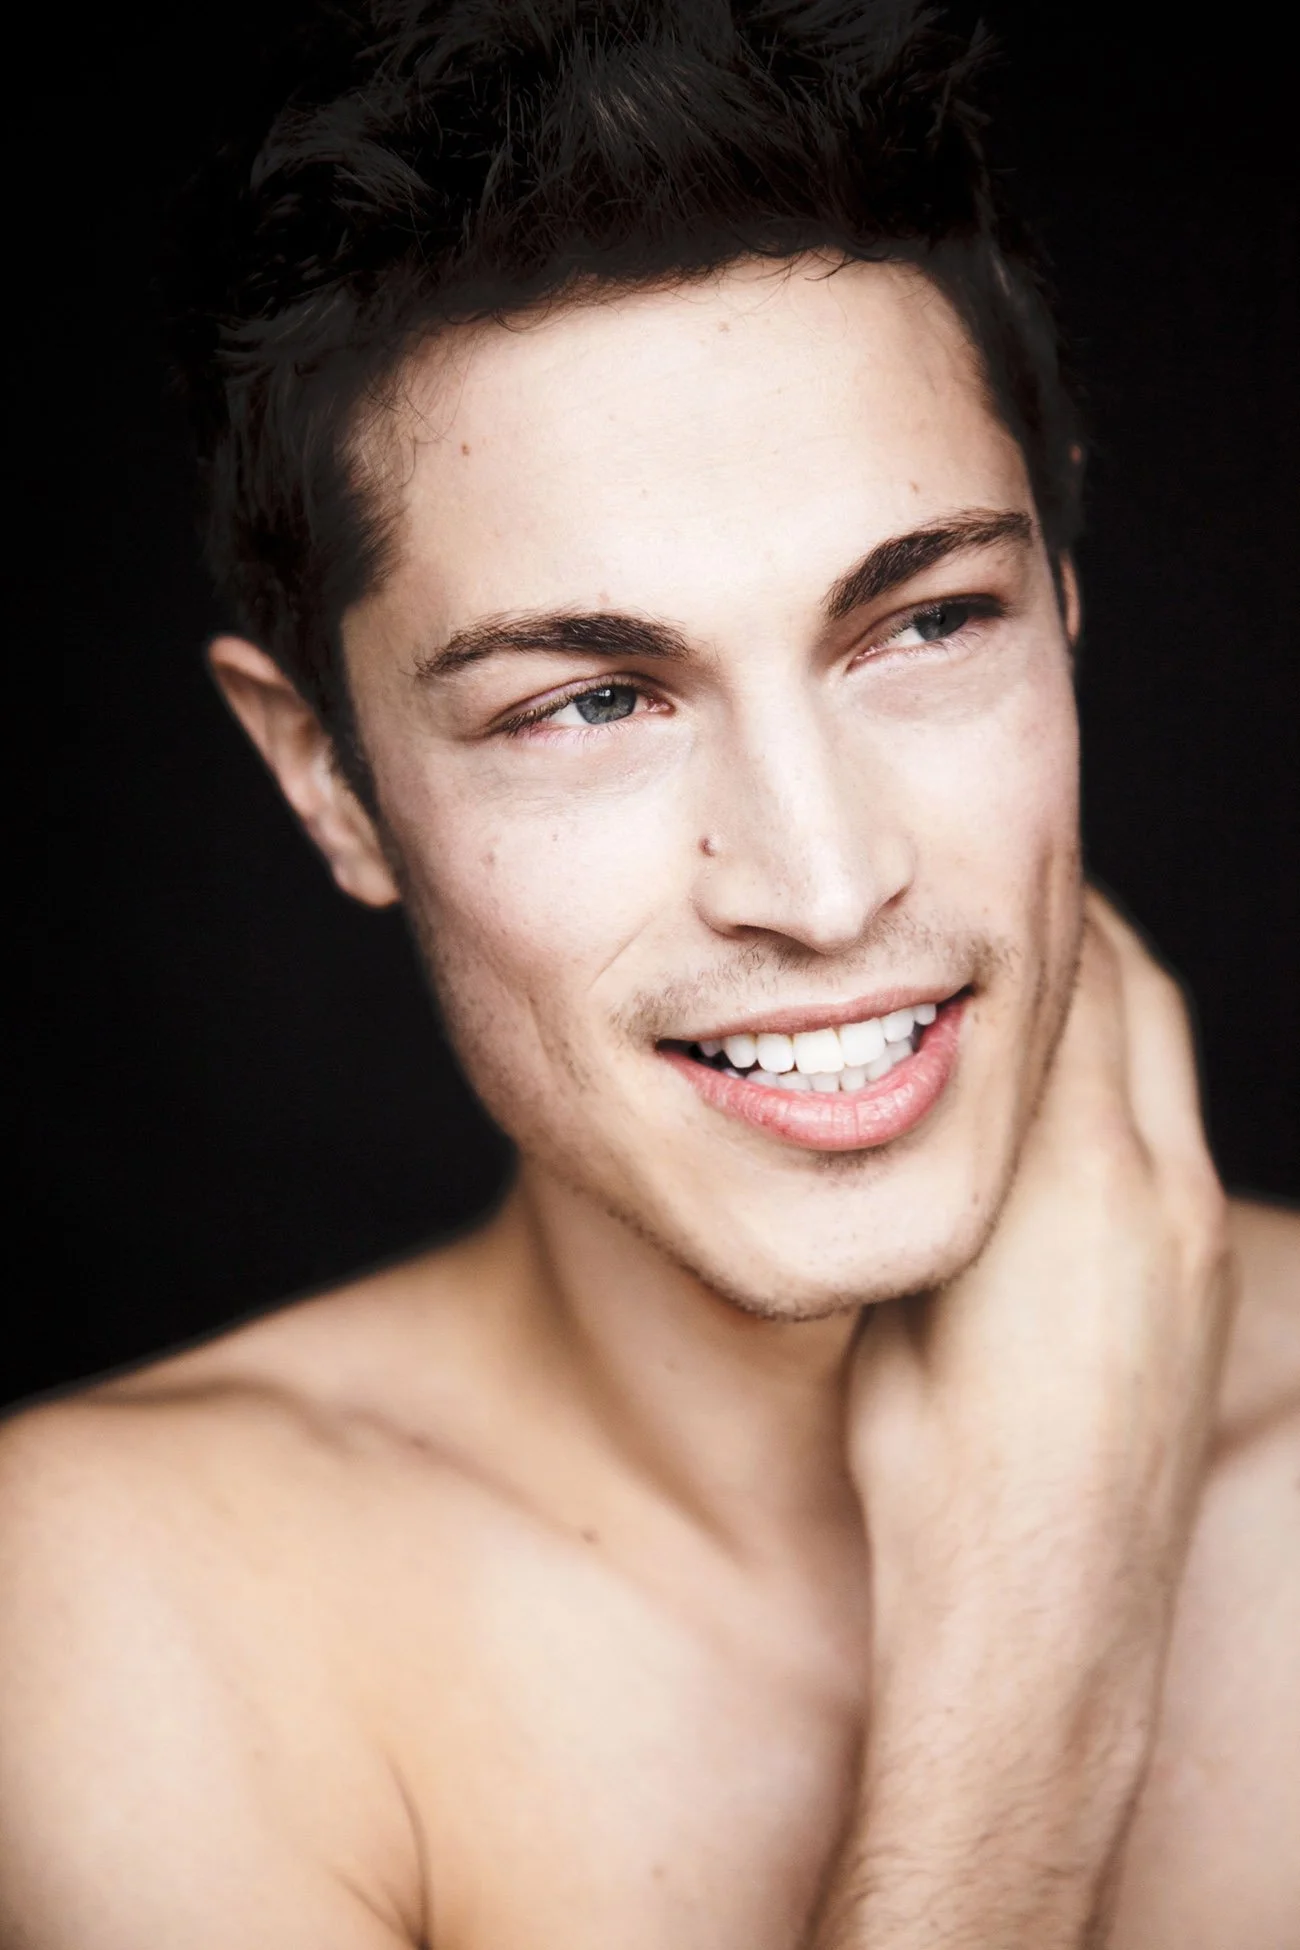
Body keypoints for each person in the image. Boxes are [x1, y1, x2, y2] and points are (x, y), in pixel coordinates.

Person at [2, 3, 1296, 1944]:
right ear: (327, 783)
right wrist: (1025, 1690)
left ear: (1063, 608)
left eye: (927, 620)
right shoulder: (106, 1606)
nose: (823, 876)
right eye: (591, 699)